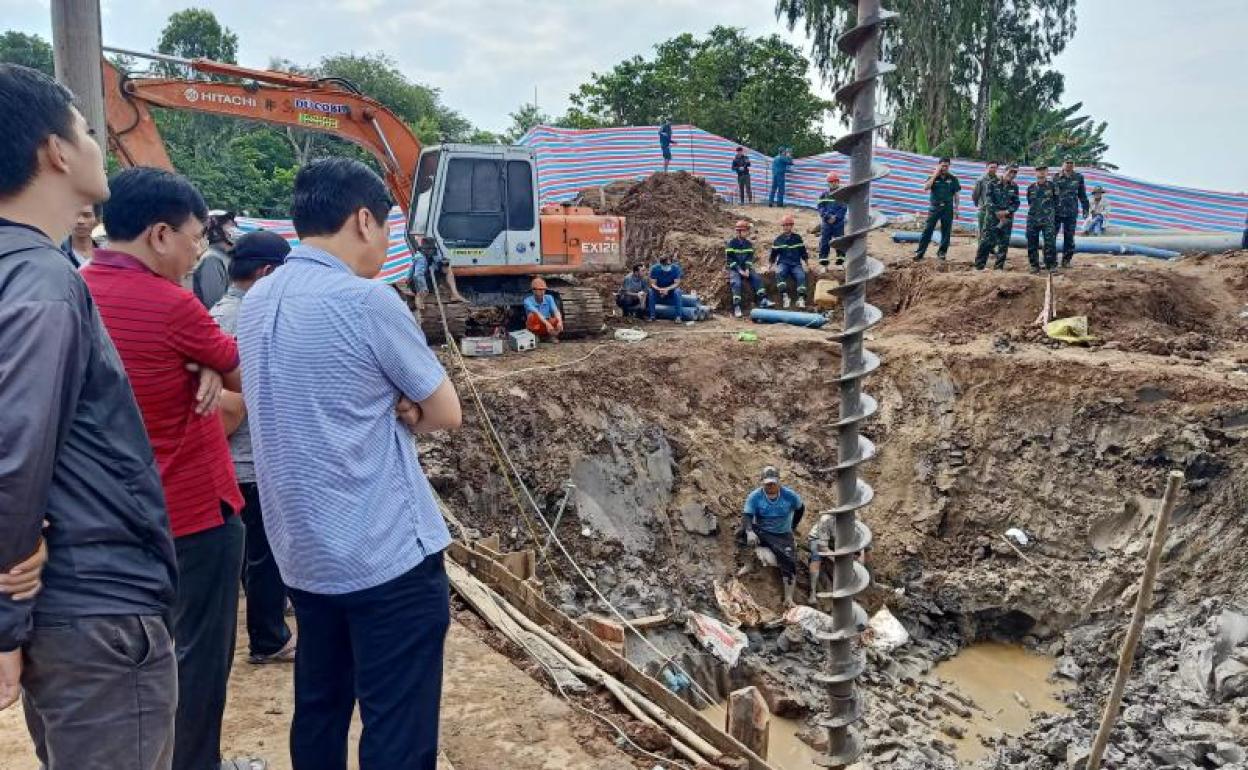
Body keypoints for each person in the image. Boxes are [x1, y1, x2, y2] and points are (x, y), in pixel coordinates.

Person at [237, 157, 463, 770]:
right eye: (388, 227)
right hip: (383, 553)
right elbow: (446, 410)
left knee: (321, 706)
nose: (387, 243)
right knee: (397, 725)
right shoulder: (365, 301)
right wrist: (404, 407)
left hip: (305, 555)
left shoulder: (258, 300)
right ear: (363, 220)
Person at [0, 62, 178, 770]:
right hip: (94, 611)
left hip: (69, 611)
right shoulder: (44, 285)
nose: (99, 143)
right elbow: (15, 452)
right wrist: (6, 615)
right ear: (57, 151)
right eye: (85, 128)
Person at [81, 167, 257, 770]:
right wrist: (211, 363)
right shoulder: (172, 305)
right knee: (200, 655)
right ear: (159, 234)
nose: (196, 251)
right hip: (194, 512)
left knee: (142, 658)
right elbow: (244, 374)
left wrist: (208, 363)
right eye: (192, 237)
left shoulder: (77, 289)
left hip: (113, 519)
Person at [209, 230, 297, 667]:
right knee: (267, 551)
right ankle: (269, 638)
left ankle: (270, 616)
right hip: (254, 457)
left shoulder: (214, 313)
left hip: (225, 458)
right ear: (266, 273)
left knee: (249, 551)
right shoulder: (254, 319)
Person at [738, 466, 805, 607]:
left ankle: (788, 597)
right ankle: (749, 563)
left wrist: (793, 526)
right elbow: (747, 516)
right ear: (762, 482)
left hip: (782, 534)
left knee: (789, 561)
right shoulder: (755, 496)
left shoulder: (789, 496)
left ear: (779, 481)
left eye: (773, 483)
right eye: (767, 483)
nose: (770, 486)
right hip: (762, 531)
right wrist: (750, 531)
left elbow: (800, 508)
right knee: (742, 532)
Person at [913, 157, 961, 262]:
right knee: (927, 230)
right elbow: (925, 187)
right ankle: (919, 253)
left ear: (949, 166)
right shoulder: (932, 177)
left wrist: (956, 208)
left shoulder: (953, 179)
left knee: (946, 232)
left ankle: (942, 253)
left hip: (948, 208)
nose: (944, 168)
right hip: (934, 208)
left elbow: (956, 195)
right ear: (939, 165)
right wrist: (935, 174)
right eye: (942, 165)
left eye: (946, 166)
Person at [974, 165, 1021, 271]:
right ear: (1005, 171)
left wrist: (1007, 211)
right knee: (986, 241)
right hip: (992, 218)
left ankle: (998, 267)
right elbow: (988, 200)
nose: (1012, 174)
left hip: (1007, 219)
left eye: (1015, 173)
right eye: (1011, 172)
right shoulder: (992, 183)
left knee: (1004, 243)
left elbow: (1016, 202)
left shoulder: (1014, 186)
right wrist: (997, 212)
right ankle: (979, 266)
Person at [192, 209, 237, 308]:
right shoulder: (212, 259)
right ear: (216, 231)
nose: (234, 229)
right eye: (230, 225)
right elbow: (215, 304)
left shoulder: (227, 257)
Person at [726, 219, 770, 318]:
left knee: (757, 278)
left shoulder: (749, 244)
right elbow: (730, 259)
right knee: (736, 283)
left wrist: (746, 269)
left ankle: (763, 299)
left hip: (745, 268)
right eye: (746, 231)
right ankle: (737, 306)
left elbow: (749, 258)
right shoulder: (731, 243)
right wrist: (739, 270)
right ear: (739, 232)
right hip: (734, 269)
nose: (747, 233)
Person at [769, 214, 810, 309]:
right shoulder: (778, 240)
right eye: (784, 225)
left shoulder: (797, 238)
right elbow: (773, 255)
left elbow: (803, 252)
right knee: (779, 272)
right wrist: (770, 266)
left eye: (788, 225)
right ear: (782, 227)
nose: (786, 227)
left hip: (796, 264)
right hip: (783, 263)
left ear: (792, 226)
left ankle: (801, 299)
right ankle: (785, 297)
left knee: (801, 276)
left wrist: (808, 264)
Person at [1054, 158, 1089, 267]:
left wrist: (1085, 209)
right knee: (1051, 236)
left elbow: (1082, 194)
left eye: (1071, 163)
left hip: (1071, 212)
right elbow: (1051, 194)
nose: (1069, 165)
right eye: (1067, 163)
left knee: (1069, 237)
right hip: (1056, 212)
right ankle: (1051, 260)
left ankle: (1066, 261)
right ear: (1062, 164)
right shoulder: (1055, 177)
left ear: (1074, 165)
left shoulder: (1079, 177)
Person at [1026, 164, 1061, 273]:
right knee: (1032, 243)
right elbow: (1029, 202)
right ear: (1035, 173)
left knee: (1050, 243)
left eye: (1043, 170)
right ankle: (1034, 266)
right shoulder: (1031, 187)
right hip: (1033, 220)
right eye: (1039, 170)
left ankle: (1051, 265)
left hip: (1048, 220)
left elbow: (1057, 202)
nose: (1041, 172)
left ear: (1047, 172)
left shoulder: (1053, 186)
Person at [816, 172, 848, 269]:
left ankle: (840, 263)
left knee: (839, 242)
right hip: (826, 224)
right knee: (824, 242)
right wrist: (827, 217)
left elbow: (844, 208)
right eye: (831, 182)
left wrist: (836, 217)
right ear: (828, 183)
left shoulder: (842, 194)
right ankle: (824, 264)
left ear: (838, 182)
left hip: (838, 223)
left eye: (835, 181)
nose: (833, 183)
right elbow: (820, 207)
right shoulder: (824, 195)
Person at [524, 276, 564, 340]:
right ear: (533, 290)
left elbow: (556, 311)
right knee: (532, 316)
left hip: (546, 321)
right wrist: (548, 324)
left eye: (543, 289)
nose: (542, 291)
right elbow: (537, 313)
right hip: (535, 324)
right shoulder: (527, 301)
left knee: (556, 318)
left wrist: (560, 321)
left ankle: (550, 335)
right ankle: (535, 335)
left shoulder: (549, 297)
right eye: (539, 289)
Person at [648, 252, 685, 323]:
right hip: (658, 290)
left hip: (671, 290)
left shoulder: (675, 268)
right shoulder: (655, 268)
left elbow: (676, 283)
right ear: (661, 264)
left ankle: (678, 317)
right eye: (665, 264)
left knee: (678, 291)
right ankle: (652, 316)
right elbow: (653, 283)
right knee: (650, 292)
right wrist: (659, 289)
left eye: (669, 264)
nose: (667, 266)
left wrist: (667, 289)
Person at [60, 202, 98, 267]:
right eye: (75, 215)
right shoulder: (59, 253)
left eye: (87, 215)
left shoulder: (105, 253)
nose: (80, 221)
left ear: (97, 220)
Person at [972, 161, 1000, 237]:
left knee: (993, 231)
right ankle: (981, 248)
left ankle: (990, 248)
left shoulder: (999, 180)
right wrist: (979, 206)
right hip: (983, 210)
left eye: (995, 167)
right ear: (987, 168)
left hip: (995, 211)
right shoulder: (981, 180)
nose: (993, 169)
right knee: (982, 231)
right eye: (991, 167)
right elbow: (975, 195)